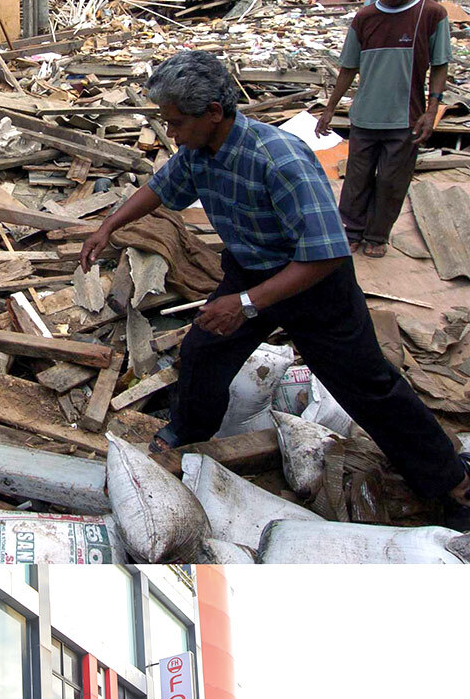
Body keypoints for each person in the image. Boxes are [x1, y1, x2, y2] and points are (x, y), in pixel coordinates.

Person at [79, 51, 470, 529]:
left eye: (177, 123)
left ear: (215, 113)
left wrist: (244, 305)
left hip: (314, 283)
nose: (173, 134)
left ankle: (448, 481)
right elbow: (162, 188)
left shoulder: (278, 158)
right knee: (204, 349)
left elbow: (325, 254)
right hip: (251, 268)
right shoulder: (198, 152)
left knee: (367, 385)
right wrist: (108, 226)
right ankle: (188, 432)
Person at [317, 0, 450, 258]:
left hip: (405, 118)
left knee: (392, 181)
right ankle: (351, 230)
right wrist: (330, 109)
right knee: (357, 180)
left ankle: (377, 236)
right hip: (365, 116)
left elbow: (440, 65)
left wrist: (432, 110)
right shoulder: (365, 18)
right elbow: (348, 68)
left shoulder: (431, 15)